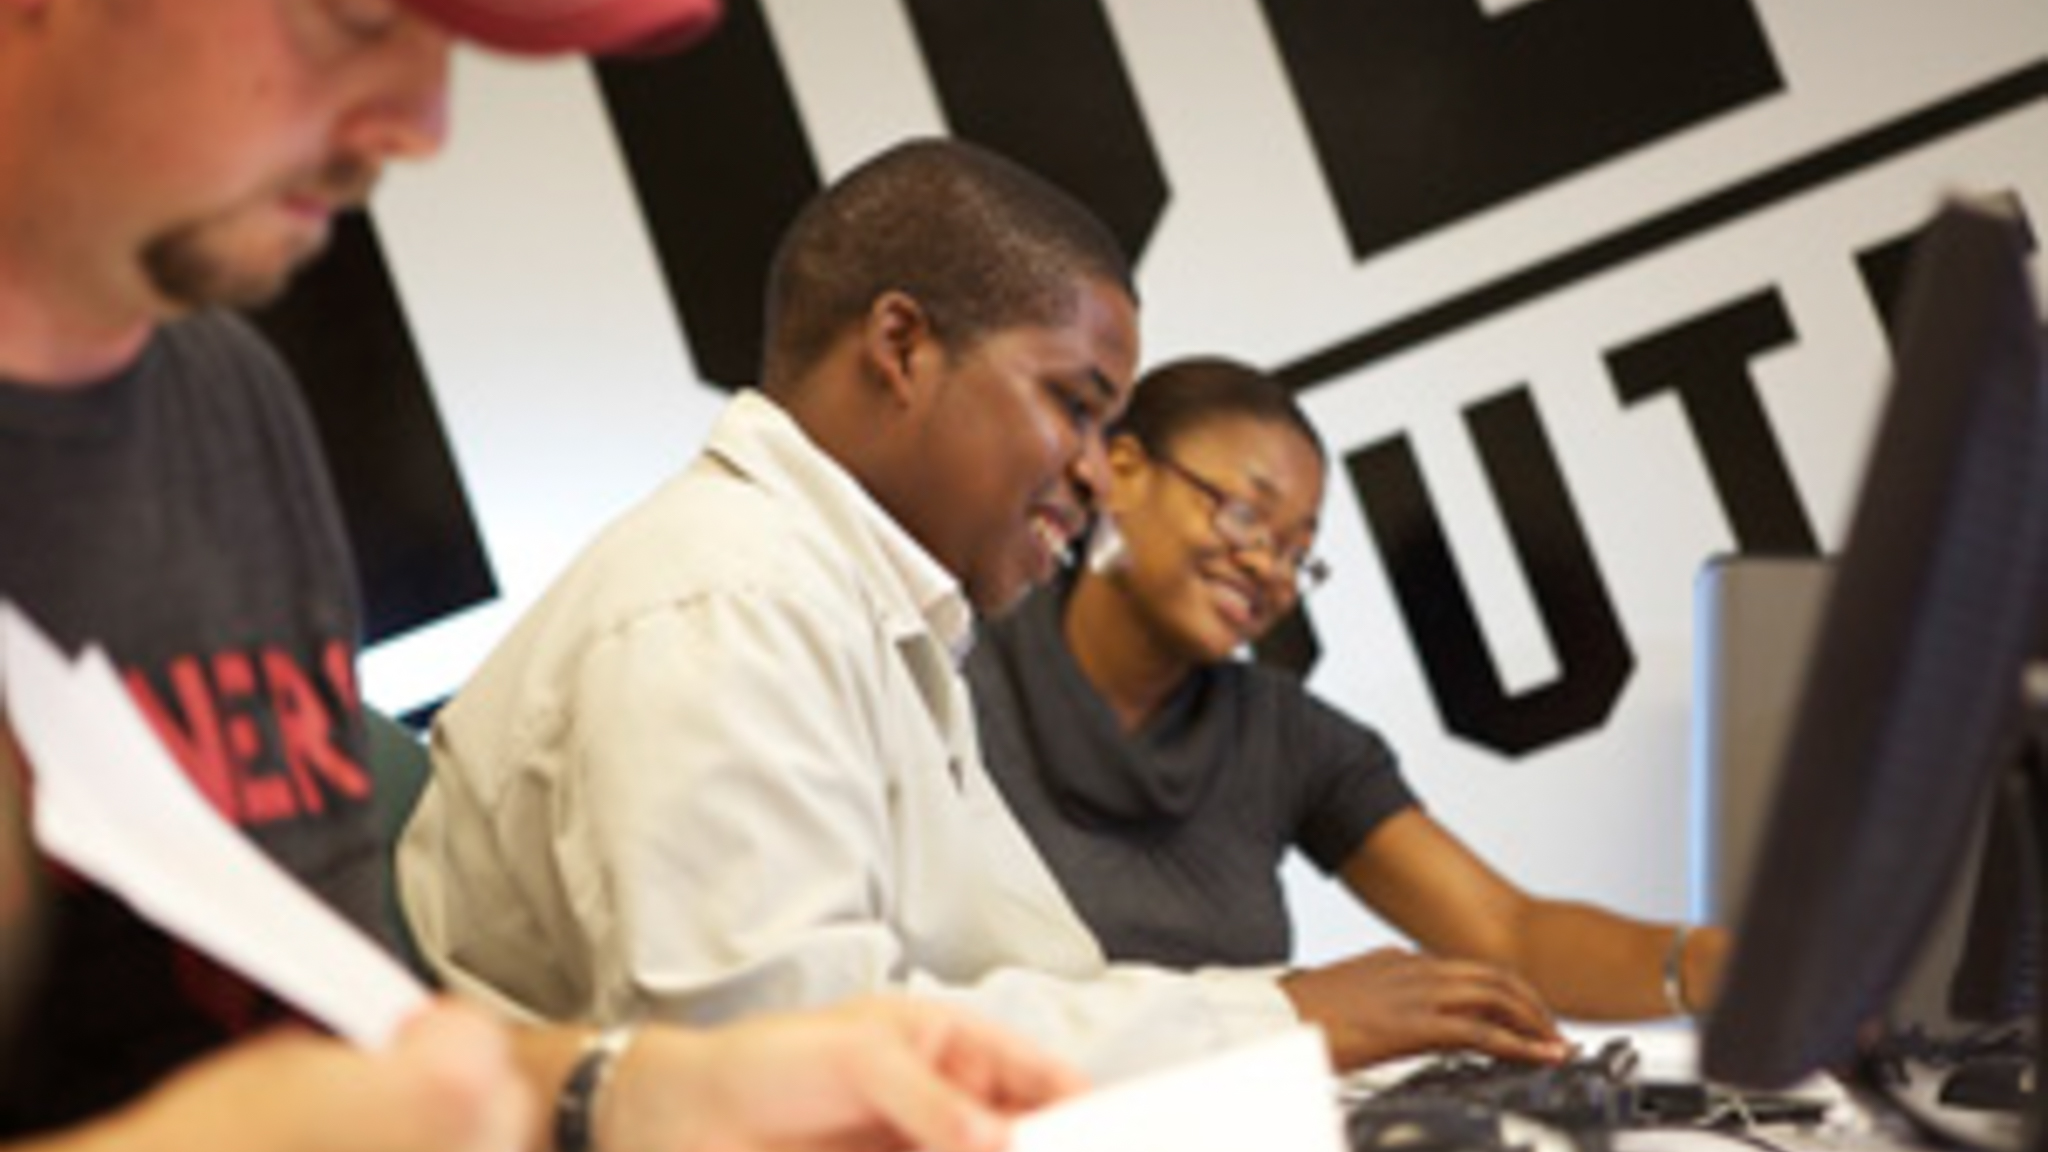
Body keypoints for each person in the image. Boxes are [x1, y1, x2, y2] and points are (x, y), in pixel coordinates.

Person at [0, 2, 1082, 1150]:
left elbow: (339, 1044)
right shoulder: (719, 589)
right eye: (355, 13)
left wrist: (623, 1092)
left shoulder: (224, 401)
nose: (421, 123)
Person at [400, 137, 1572, 1084]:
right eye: (1074, 405)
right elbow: (777, 1079)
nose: (1097, 471)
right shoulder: (728, 605)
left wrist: (1270, 1016)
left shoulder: (855, 608)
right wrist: (1273, 1026)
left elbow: (991, 985)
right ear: (901, 346)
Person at [965, 355, 1733, 1032]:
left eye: (1300, 553)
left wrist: (1710, 964)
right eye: (1244, 514)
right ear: (1123, 472)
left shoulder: (1287, 736)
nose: (1270, 568)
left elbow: (1508, 933)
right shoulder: (953, 662)